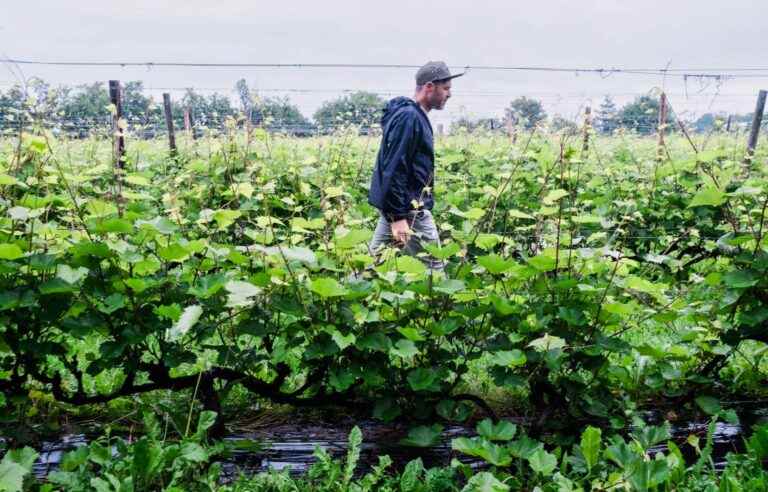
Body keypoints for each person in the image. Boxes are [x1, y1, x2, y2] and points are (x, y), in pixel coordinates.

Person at [368, 61, 464, 271]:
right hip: (409, 210)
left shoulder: (412, 115)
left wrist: (394, 215)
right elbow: (394, 167)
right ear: (429, 87)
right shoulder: (409, 117)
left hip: (401, 208)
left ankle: (348, 297)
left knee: (373, 266)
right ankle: (436, 303)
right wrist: (398, 217)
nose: (449, 94)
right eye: (446, 88)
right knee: (434, 268)